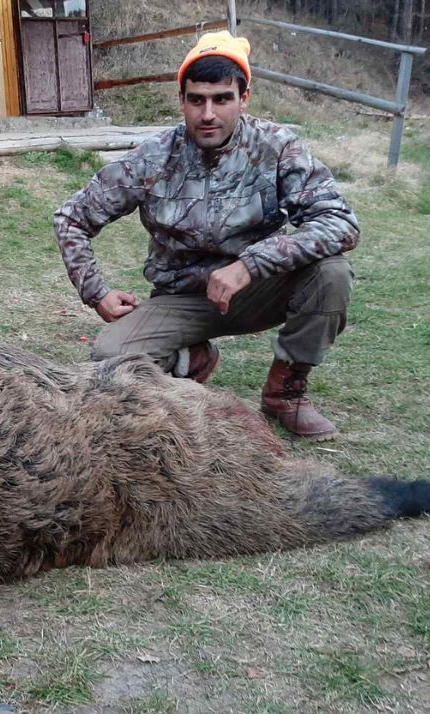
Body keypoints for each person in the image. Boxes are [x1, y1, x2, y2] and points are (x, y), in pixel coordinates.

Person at [53, 31, 358, 441]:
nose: (208, 114)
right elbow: (71, 218)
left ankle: (285, 391)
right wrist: (96, 293)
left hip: (259, 289)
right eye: (196, 100)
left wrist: (250, 264)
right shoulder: (154, 157)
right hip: (181, 297)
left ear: (243, 98)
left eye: (222, 99)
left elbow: (340, 223)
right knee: (110, 359)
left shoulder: (278, 147)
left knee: (331, 273)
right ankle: (190, 358)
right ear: (181, 101)